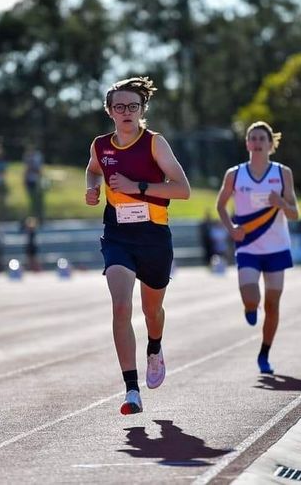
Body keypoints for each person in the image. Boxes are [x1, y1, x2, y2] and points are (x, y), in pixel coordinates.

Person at [85, 76, 190, 415]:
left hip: (153, 236)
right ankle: (132, 390)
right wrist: (92, 188)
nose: (127, 112)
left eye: (133, 106)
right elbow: (93, 170)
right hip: (118, 235)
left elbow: (182, 189)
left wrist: (137, 186)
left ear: (142, 109)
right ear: (109, 111)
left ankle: (154, 347)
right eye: (120, 107)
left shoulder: (155, 144)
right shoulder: (101, 145)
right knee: (120, 307)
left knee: (151, 311)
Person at [216, 121, 299, 374]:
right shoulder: (235, 174)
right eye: (253, 138)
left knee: (272, 305)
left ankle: (264, 353)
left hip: (276, 247)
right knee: (252, 299)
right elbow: (220, 205)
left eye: (262, 138)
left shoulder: (282, 173)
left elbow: (294, 213)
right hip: (248, 245)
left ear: (271, 144)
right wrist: (231, 228)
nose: (258, 142)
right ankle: (250, 307)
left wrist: (281, 203)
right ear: (247, 144)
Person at [23, 144, 44, 221]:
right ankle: (31, 216)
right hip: (29, 181)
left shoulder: (37, 158)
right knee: (31, 201)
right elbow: (26, 171)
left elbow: (39, 171)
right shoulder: (28, 158)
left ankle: (38, 216)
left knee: (37, 200)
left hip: (36, 181)